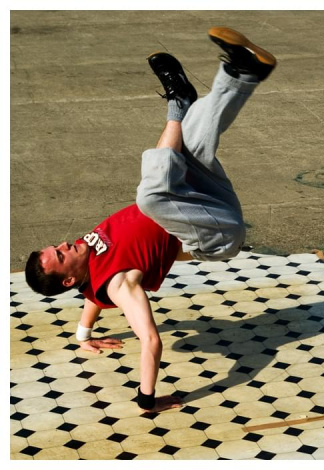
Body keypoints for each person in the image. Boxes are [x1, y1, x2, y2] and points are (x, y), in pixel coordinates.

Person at [24, 27, 277, 413]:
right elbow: (151, 341)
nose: (62, 245)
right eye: (58, 255)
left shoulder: (90, 272)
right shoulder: (118, 285)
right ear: (69, 276)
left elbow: (89, 300)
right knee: (149, 194)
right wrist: (147, 399)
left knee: (192, 135)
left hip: (197, 205)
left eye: (54, 247)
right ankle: (178, 103)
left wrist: (83, 335)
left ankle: (241, 72)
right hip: (216, 236)